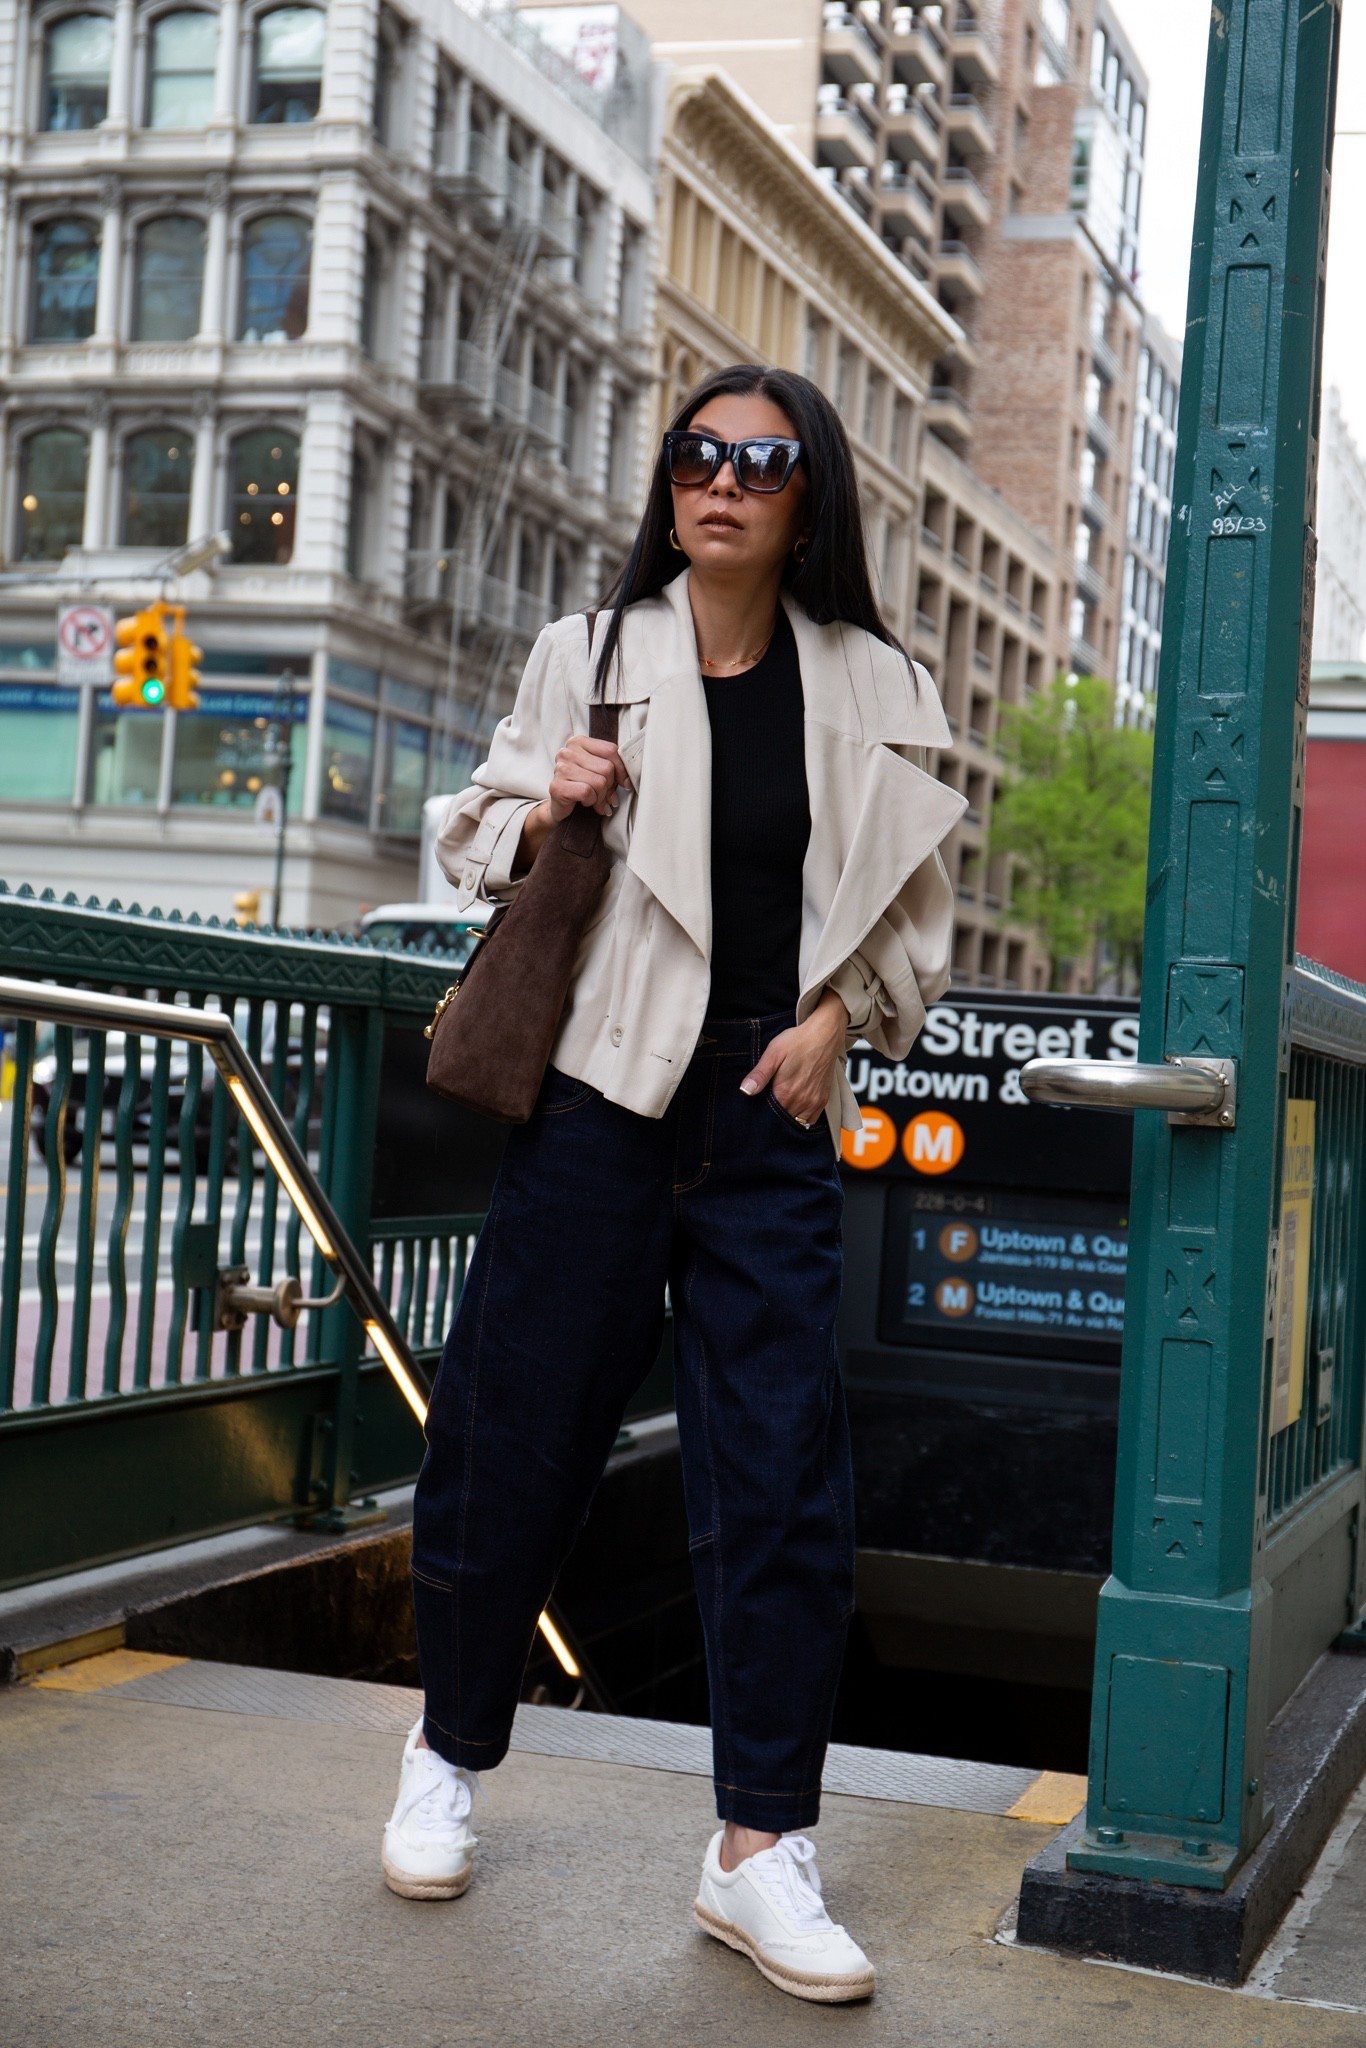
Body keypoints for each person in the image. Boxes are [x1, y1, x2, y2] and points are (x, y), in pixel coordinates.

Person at [381, 364, 965, 2003]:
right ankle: (446, 1755)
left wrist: (842, 1021)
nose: (722, 480)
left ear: (806, 495)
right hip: (591, 1095)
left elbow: (918, 912)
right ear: (669, 482)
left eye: (760, 461)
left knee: (779, 1480)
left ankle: (759, 1849)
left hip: (768, 1112)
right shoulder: (590, 650)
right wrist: (534, 797)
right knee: (513, 1440)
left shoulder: (871, 679)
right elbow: (472, 831)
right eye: (697, 455)